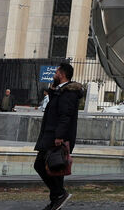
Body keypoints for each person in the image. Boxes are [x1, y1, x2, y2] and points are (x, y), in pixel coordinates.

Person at [34, 62, 83, 210]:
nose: (54, 75)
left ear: (62, 74)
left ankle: (60, 194)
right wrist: (52, 90)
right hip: (51, 135)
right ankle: (56, 202)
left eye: (56, 73)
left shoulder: (68, 93)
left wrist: (59, 136)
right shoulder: (61, 91)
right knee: (56, 169)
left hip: (56, 137)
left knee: (41, 165)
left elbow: (65, 116)